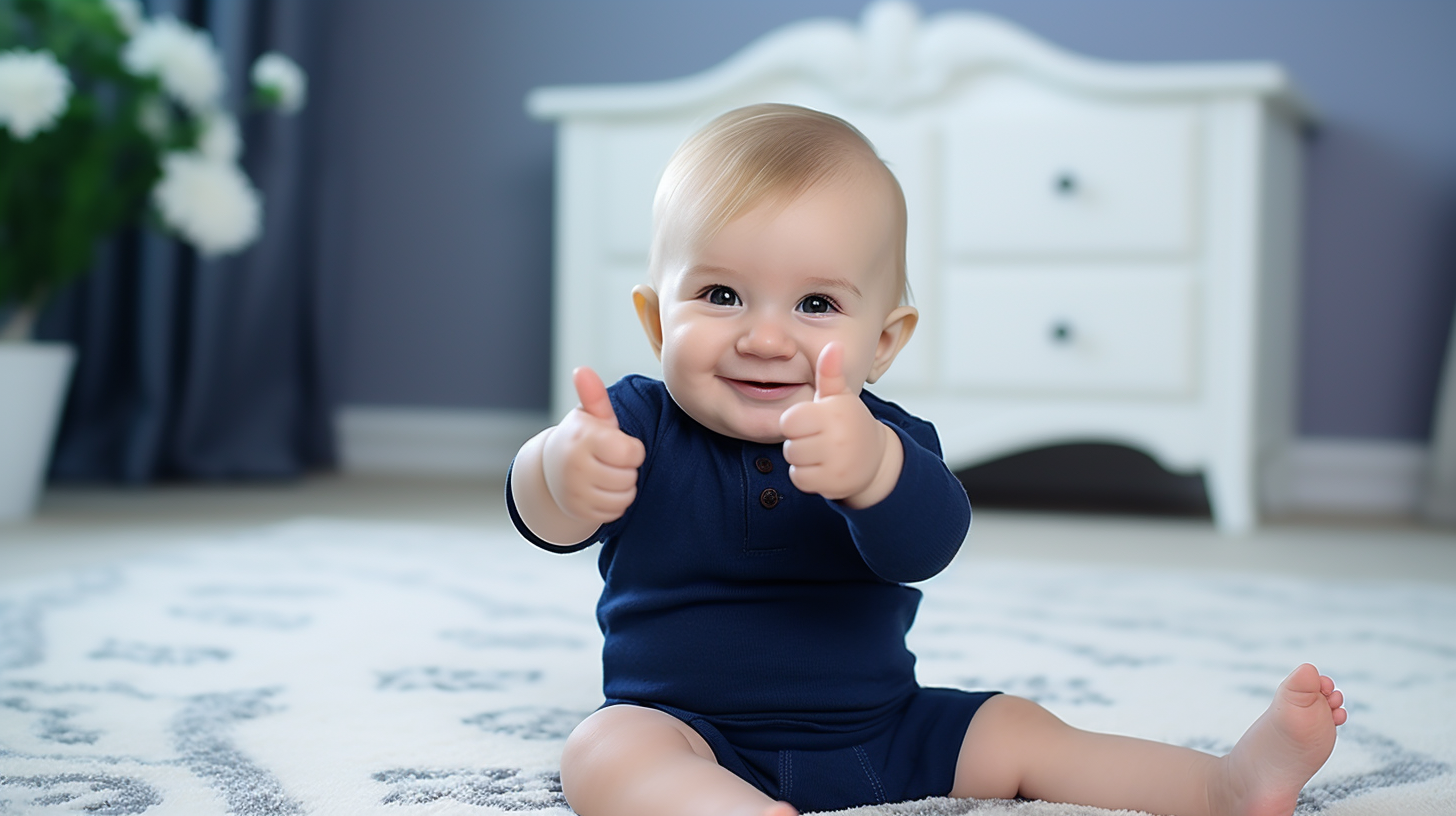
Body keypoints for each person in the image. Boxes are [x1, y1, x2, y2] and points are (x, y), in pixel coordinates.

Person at [506, 103, 1347, 816]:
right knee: (603, 748)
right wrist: (562, 470)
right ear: (657, 323)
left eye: (816, 303)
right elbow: (542, 512)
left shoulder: (889, 438)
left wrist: (873, 476)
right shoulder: (631, 423)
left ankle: (1228, 785)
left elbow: (929, 544)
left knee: (1020, 730)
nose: (764, 336)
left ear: (883, 341)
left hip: (883, 733)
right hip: (689, 732)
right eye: (720, 295)